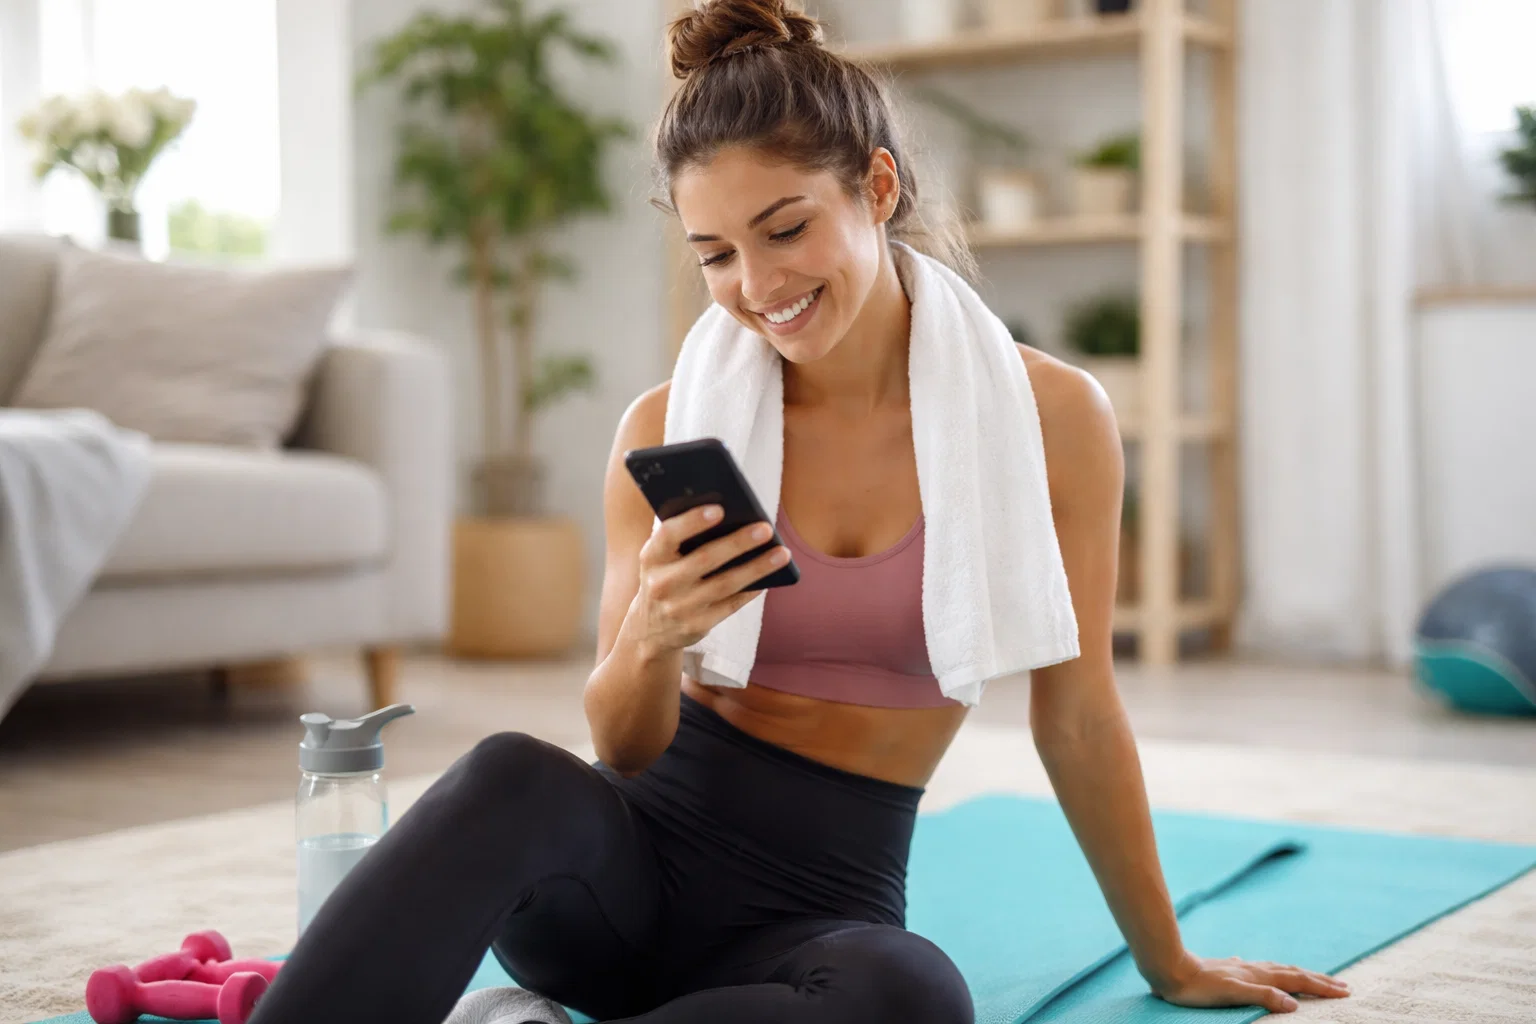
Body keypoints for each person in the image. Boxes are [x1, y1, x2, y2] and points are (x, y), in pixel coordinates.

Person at [249, 2, 1353, 1022]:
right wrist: (653, 637)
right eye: (716, 253)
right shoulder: (665, 426)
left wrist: (1169, 960)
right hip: (619, 886)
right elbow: (621, 744)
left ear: (876, 188)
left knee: (912, 993)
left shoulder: (1048, 416)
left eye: (785, 229)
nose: (756, 284)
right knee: (509, 773)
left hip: (813, 916)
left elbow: (1078, 713)